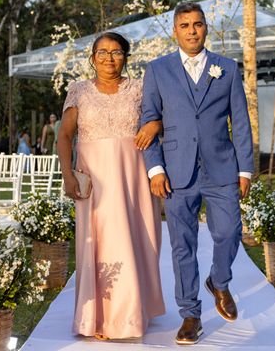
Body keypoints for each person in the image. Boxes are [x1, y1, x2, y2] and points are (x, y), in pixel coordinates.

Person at [141, 1, 254, 345]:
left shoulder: (227, 69)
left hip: (222, 167)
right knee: (182, 246)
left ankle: (219, 281)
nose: (192, 30)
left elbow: (241, 121)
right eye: (185, 25)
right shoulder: (157, 70)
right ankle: (190, 314)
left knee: (229, 232)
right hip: (175, 172)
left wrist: (246, 168)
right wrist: (155, 168)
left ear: (206, 28)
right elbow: (147, 119)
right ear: (175, 31)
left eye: (198, 24)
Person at [58, 31, 166, 340]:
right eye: (102, 52)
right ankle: (99, 317)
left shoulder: (139, 89)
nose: (109, 58)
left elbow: (159, 119)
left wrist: (153, 125)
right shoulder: (78, 91)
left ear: (126, 58)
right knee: (100, 242)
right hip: (95, 179)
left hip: (133, 176)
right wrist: (67, 174)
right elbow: (65, 136)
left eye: (116, 52)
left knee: (138, 239)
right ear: (92, 58)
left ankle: (132, 312)